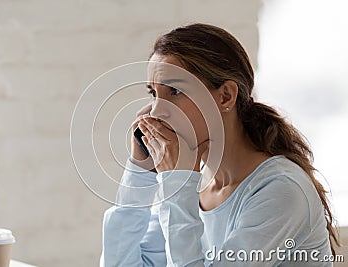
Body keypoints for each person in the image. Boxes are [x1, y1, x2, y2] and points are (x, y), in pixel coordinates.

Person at [99, 23, 339, 266]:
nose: (157, 111)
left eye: (174, 91)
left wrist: (177, 182)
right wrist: (140, 173)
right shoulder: (193, 185)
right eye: (154, 93)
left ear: (225, 96)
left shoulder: (281, 191)